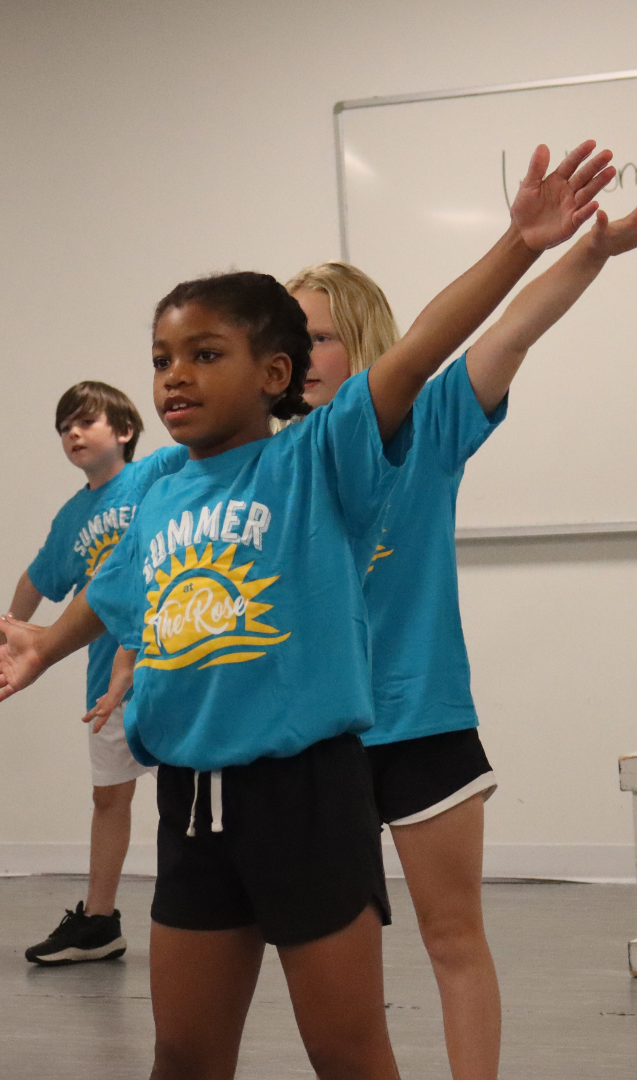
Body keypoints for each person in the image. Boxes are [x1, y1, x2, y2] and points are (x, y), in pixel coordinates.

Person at [0, 143, 614, 1080]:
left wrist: (523, 245)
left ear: (273, 371)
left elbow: (438, 343)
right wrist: (45, 641)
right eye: (162, 359)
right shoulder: (158, 486)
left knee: (349, 1048)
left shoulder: (322, 455)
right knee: (184, 1053)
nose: (175, 377)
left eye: (204, 354)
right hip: (193, 799)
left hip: (315, 786)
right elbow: (118, 592)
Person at [283, 195, 637, 1080]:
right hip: (317, 738)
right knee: (339, 963)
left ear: (363, 340)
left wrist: (592, 251)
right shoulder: (277, 457)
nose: (301, 354)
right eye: (290, 338)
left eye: (319, 335)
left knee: (454, 940)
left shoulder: (432, 420)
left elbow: (516, 327)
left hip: (422, 723)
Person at [0, 381, 187, 964]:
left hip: (170, 665)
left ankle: (199, 913)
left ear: (123, 431)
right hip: (106, 682)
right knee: (108, 799)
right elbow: (39, 576)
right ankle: (99, 921)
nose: (72, 433)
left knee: (184, 793)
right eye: (63, 426)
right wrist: (9, 625)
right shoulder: (74, 515)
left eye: (85, 422)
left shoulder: (156, 472)